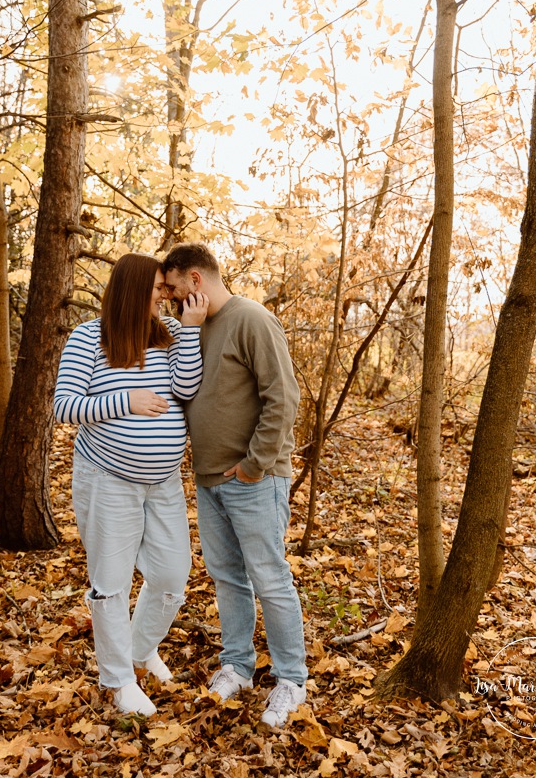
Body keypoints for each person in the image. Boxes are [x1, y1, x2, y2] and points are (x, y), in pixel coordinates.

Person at [54, 252, 208, 716]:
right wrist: (125, 399)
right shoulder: (88, 338)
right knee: (111, 583)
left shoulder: (173, 334)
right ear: (132, 290)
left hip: (162, 482)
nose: (165, 296)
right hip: (107, 477)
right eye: (158, 289)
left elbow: (186, 387)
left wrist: (194, 328)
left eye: (166, 289)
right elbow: (64, 407)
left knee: (171, 576)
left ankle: (140, 652)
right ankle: (119, 680)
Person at [162, 242, 307, 728]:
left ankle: (290, 679)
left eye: (173, 287)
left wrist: (253, 464)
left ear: (196, 280)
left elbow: (283, 398)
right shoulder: (194, 328)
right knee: (228, 578)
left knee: (269, 577)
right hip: (208, 479)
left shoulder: (251, 319)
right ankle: (238, 667)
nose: (169, 296)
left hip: (253, 479)